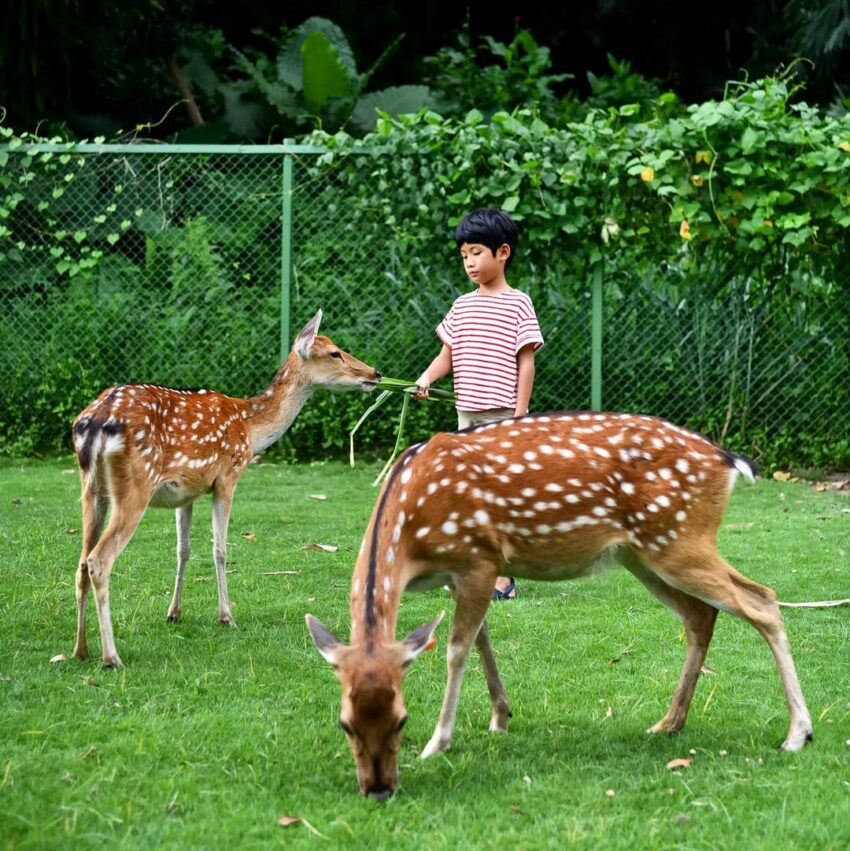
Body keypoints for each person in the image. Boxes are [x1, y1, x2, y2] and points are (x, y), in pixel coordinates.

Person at [413, 208, 544, 601]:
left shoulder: (518, 304)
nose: (469, 262)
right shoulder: (462, 306)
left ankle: (503, 578)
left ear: (502, 253)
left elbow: (527, 362)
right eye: (464, 255)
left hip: (503, 418)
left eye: (476, 252)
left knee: (499, 495)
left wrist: (520, 415)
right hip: (467, 417)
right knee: (470, 495)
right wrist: (426, 377)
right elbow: (446, 356)